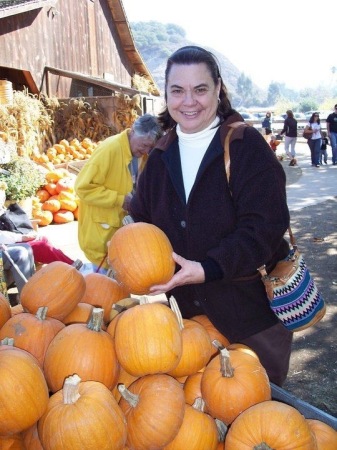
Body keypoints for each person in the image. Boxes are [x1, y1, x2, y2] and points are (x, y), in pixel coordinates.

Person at [128, 45, 292, 386]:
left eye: (200, 89)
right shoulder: (159, 158)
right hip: (185, 326)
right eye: (178, 90)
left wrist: (206, 269)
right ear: (166, 95)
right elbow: (141, 220)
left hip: (249, 320)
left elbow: (265, 228)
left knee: (254, 416)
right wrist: (129, 240)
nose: (189, 101)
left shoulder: (245, 147)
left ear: (218, 89)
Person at [74, 114, 162, 274]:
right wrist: (120, 200)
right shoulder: (110, 149)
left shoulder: (139, 153)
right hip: (101, 236)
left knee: (121, 289)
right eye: (144, 145)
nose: (146, 151)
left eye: (150, 148)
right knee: (105, 290)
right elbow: (82, 187)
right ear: (133, 131)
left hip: (118, 233)